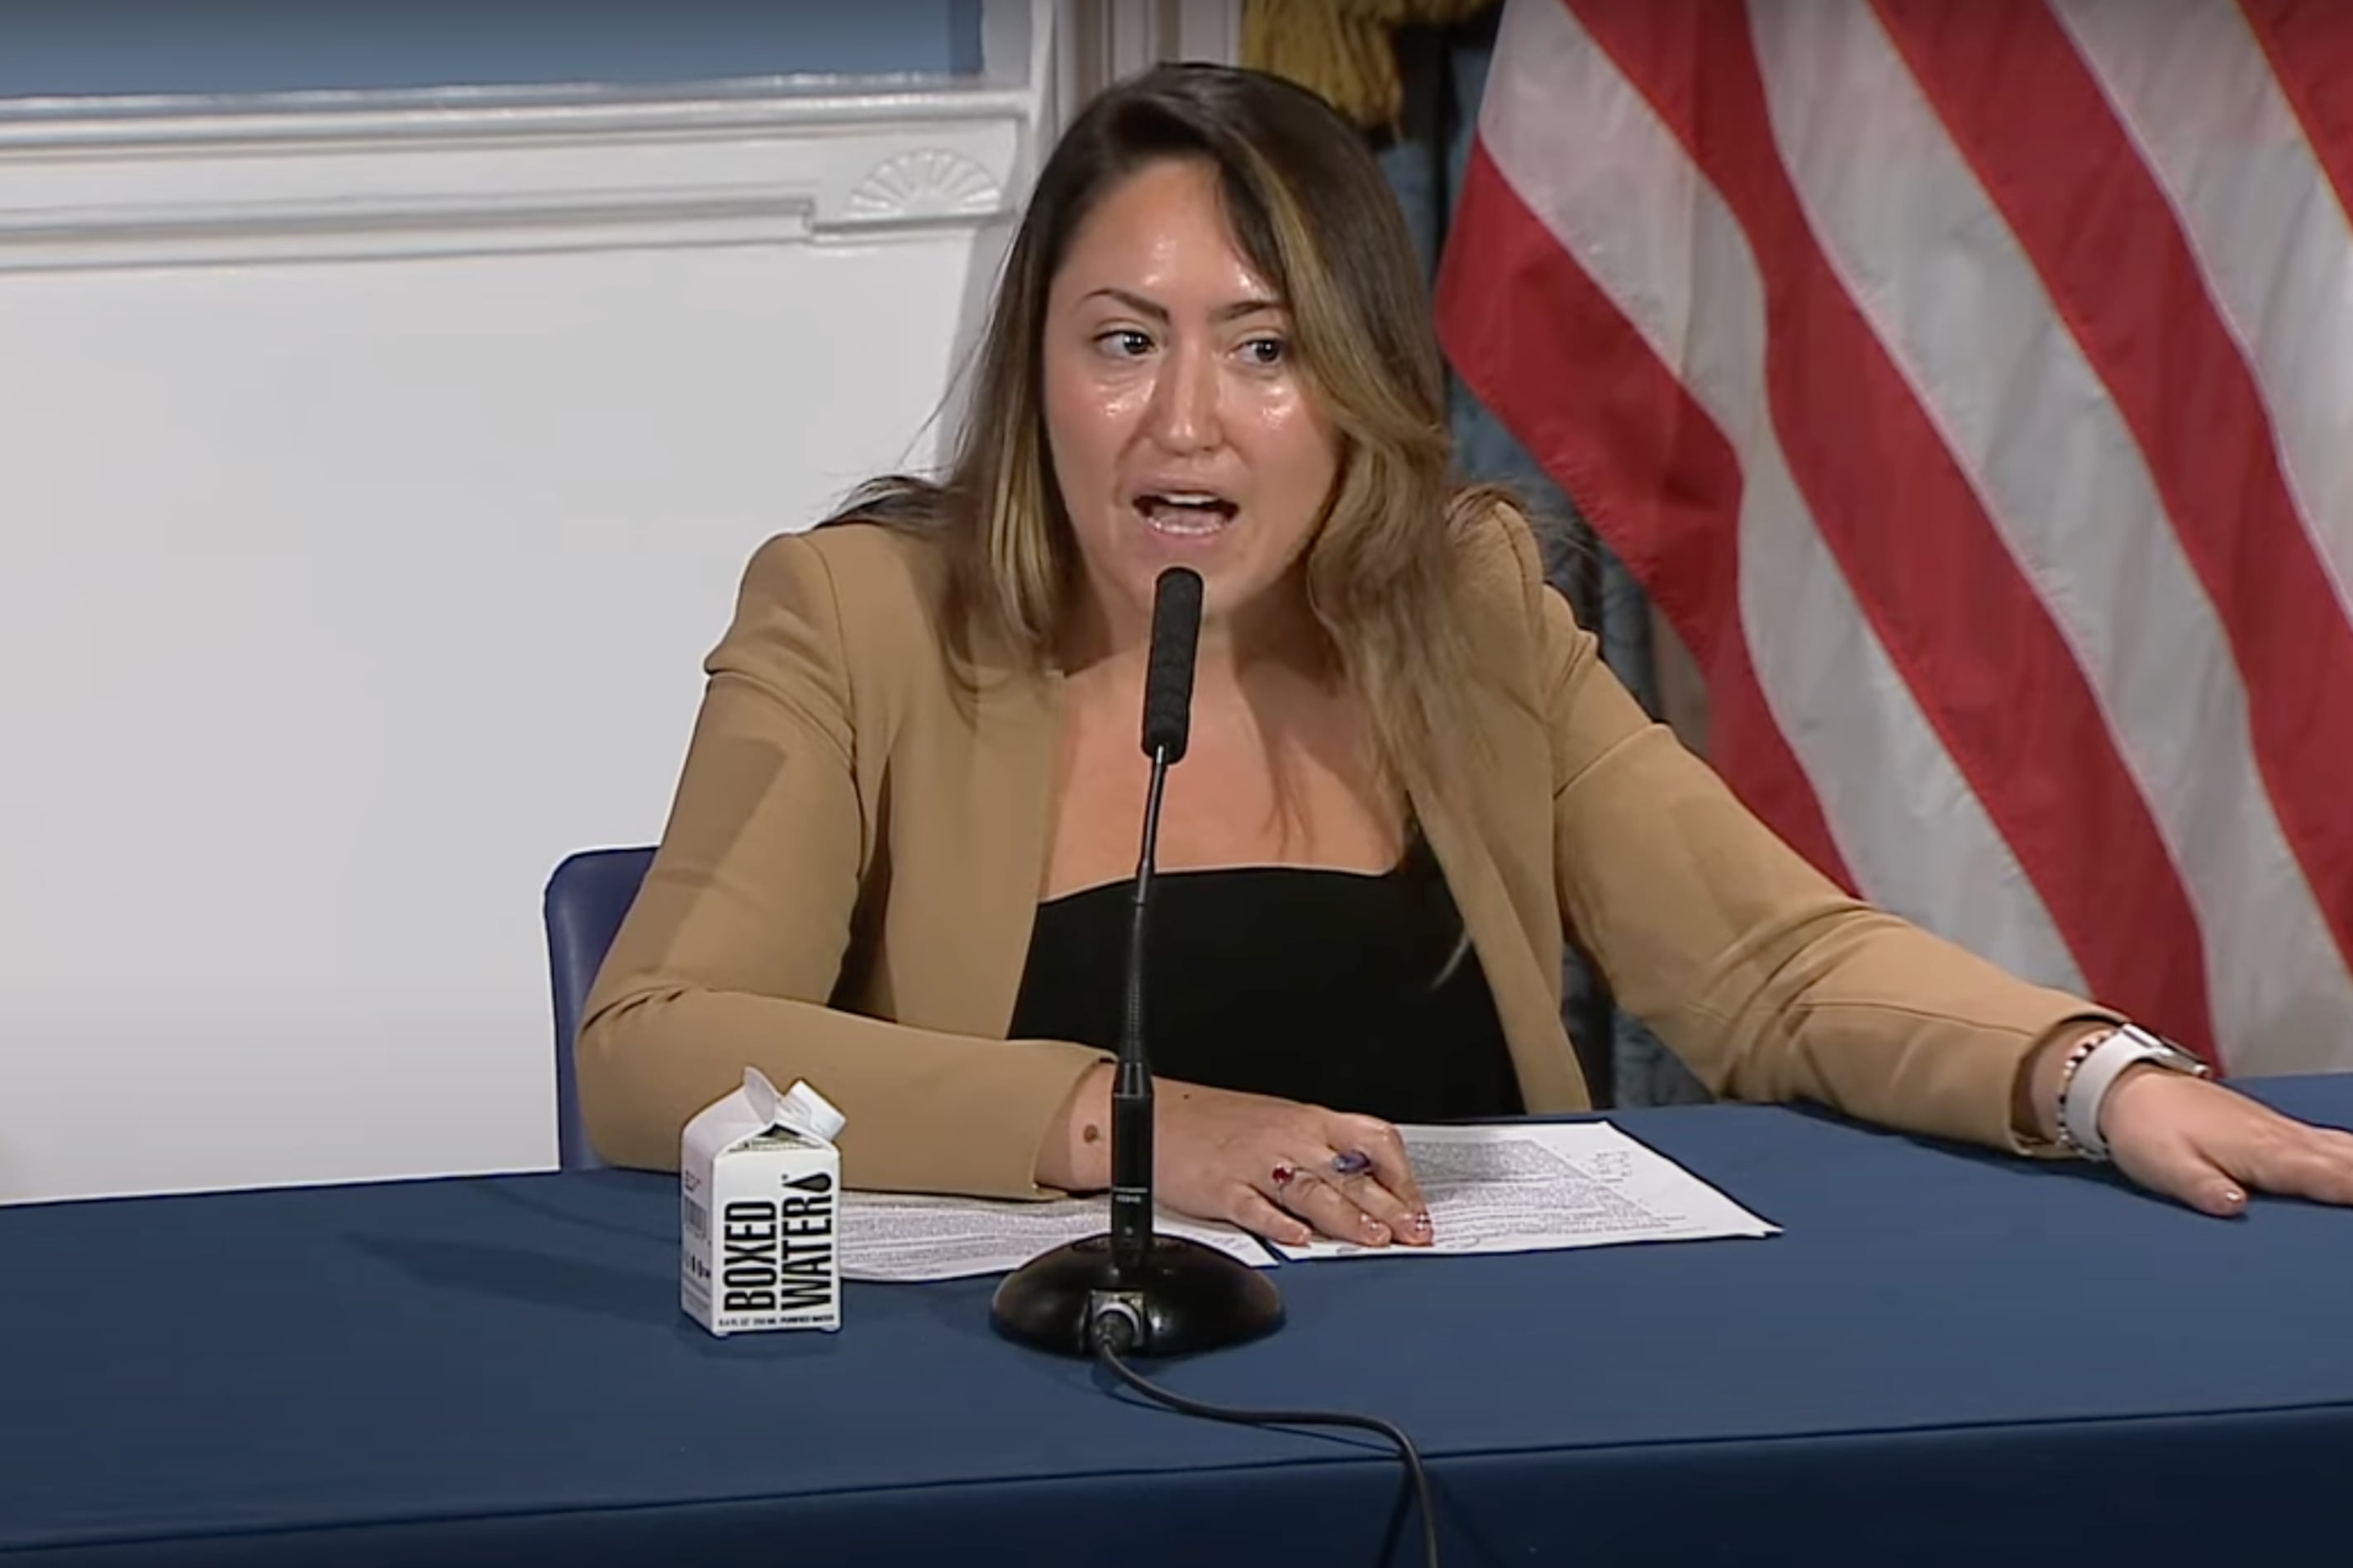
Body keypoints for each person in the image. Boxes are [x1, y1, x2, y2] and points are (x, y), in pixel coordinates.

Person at [578, 63, 2353, 1250]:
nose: (1184, 420)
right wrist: (1139, 1127)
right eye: (1122, 341)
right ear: (1036, 371)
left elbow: (1771, 962)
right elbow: (659, 1044)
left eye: (1265, 349)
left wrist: (2090, 1078)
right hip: (1053, 1391)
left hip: (1495, 1378)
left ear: (1358, 385)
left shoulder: (1463, 606)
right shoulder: (860, 616)